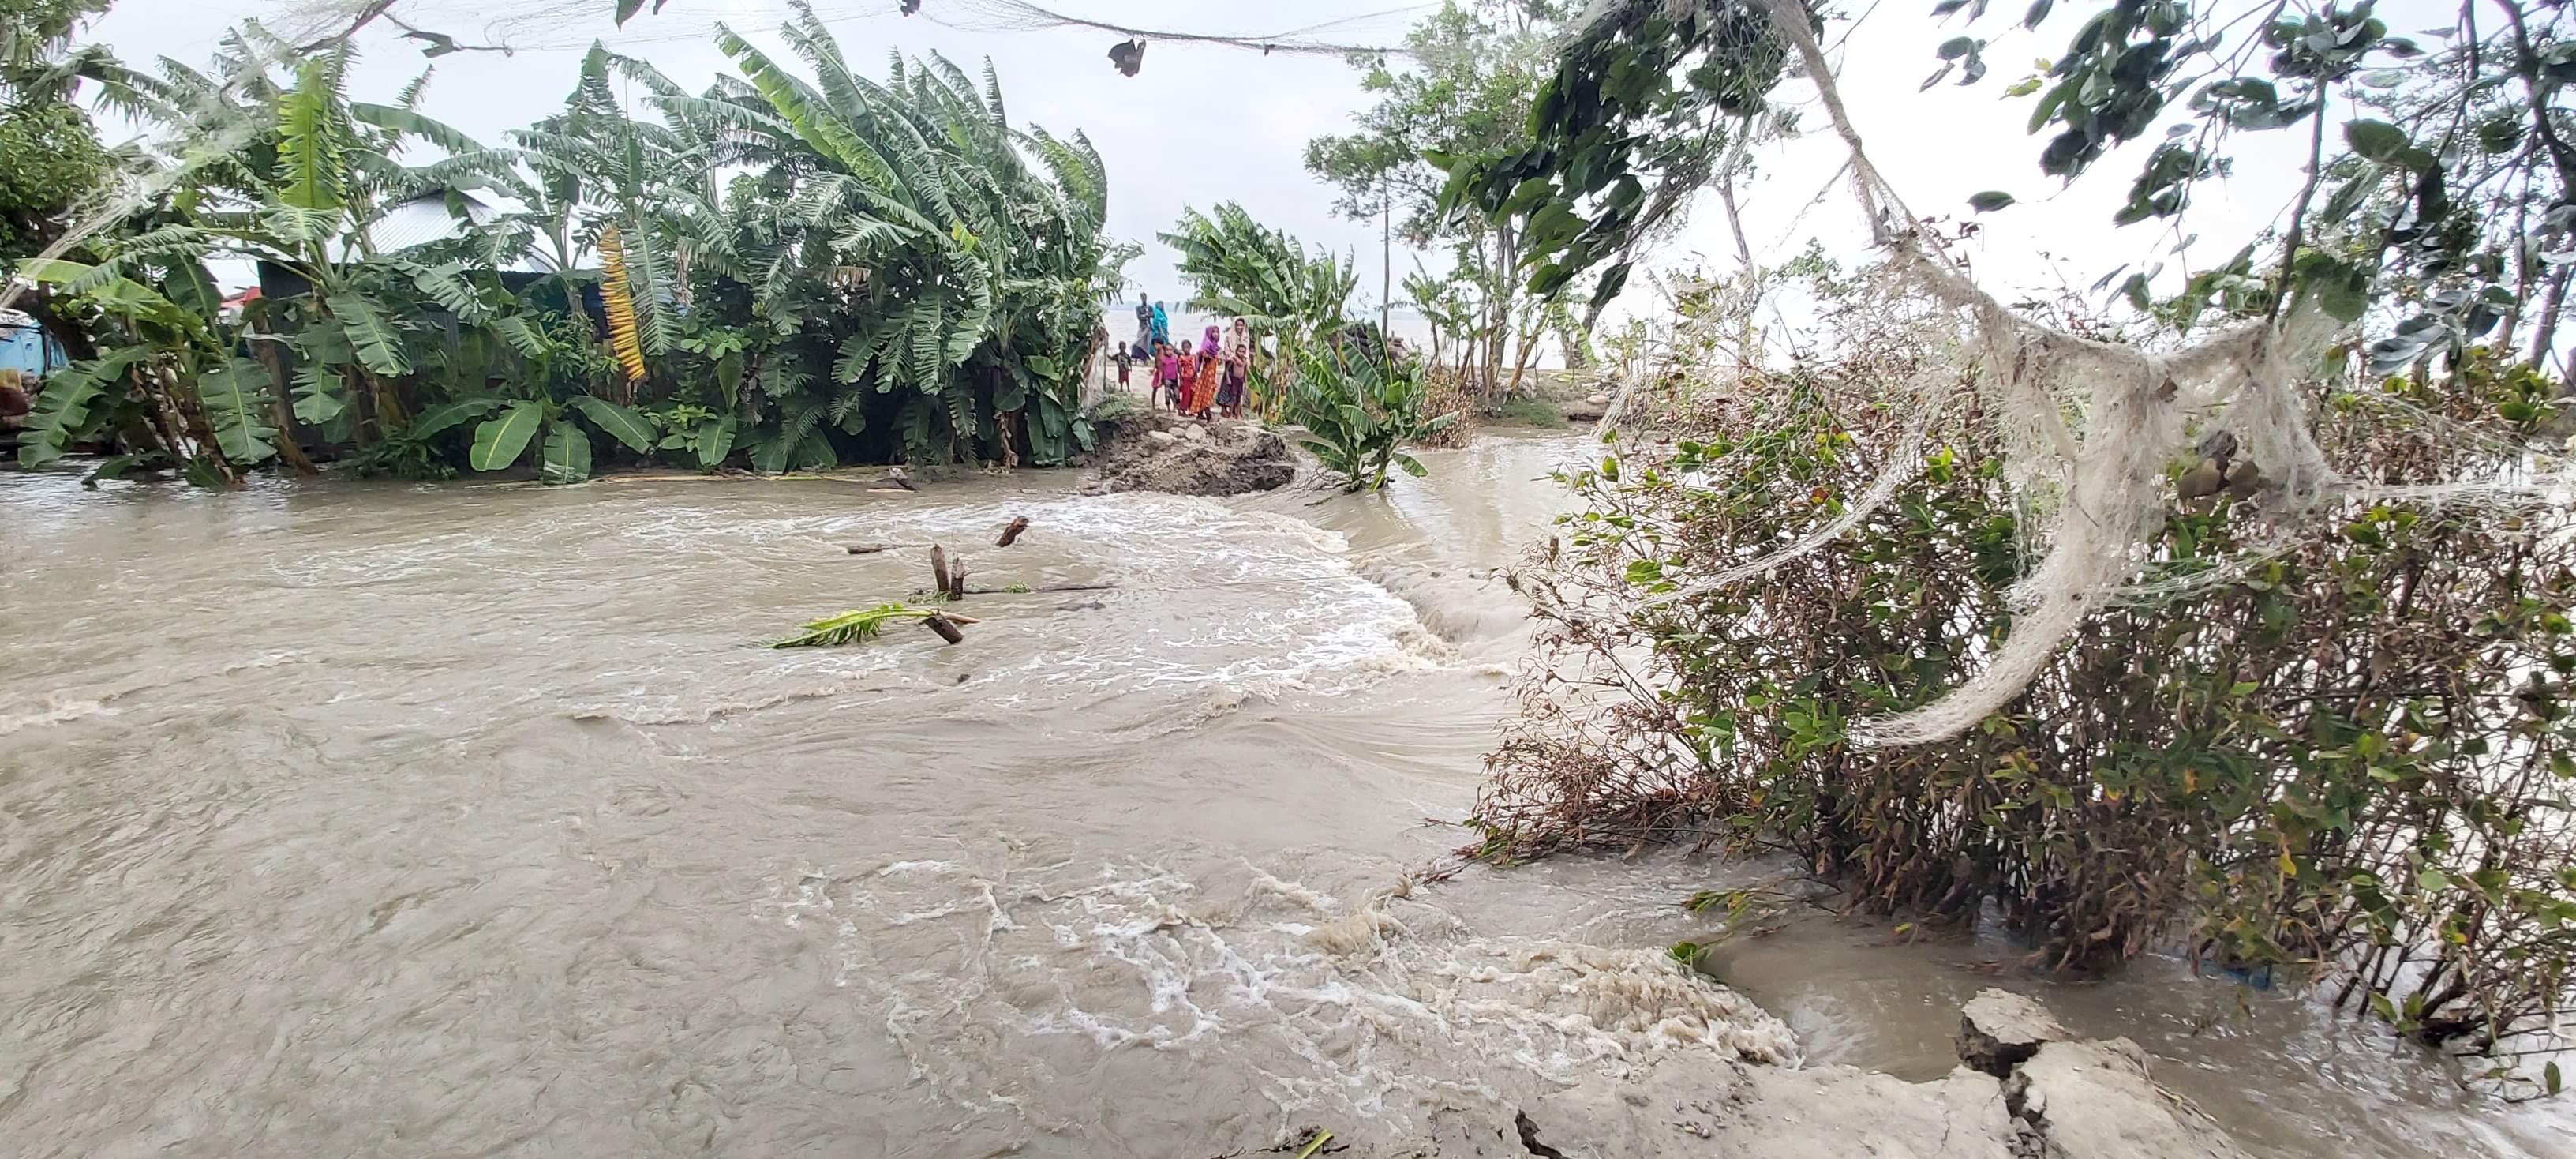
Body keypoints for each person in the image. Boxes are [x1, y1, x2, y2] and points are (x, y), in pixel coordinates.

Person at [1219, 318, 1252, 419]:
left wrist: (1244, 359)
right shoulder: (1230, 335)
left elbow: (1246, 350)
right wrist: (1234, 357)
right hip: (1231, 361)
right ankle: (1224, 407)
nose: (1240, 327)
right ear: (1234, 325)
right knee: (1227, 386)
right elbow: (1227, 349)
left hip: (1242, 363)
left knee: (1238, 392)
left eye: (1242, 325)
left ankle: (1236, 411)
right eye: (1238, 325)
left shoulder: (1245, 336)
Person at [1155, 339, 1183, 409]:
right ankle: (1168, 409)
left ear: (1173, 350)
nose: (1169, 351)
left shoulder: (1175, 357)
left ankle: (1177, 408)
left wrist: (1181, 378)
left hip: (1175, 378)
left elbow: (1179, 368)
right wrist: (1159, 381)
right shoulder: (1163, 359)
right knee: (1167, 394)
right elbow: (1161, 370)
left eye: (1170, 349)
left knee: (1177, 394)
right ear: (1165, 350)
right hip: (1167, 379)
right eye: (1167, 350)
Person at [1132, 294, 1153, 358]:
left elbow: (1153, 315)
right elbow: (1139, 317)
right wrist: (1146, 315)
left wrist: (1146, 315)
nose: (1144, 299)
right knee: (1139, 341)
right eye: (1142, 297)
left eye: (1145, 297)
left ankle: (1146, 356)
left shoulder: (1149, 307)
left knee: (1147, 343)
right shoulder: (1138, 308)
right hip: (1142, 327)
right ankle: (1136, 354)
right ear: (1141, 298)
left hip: (1149, 327)